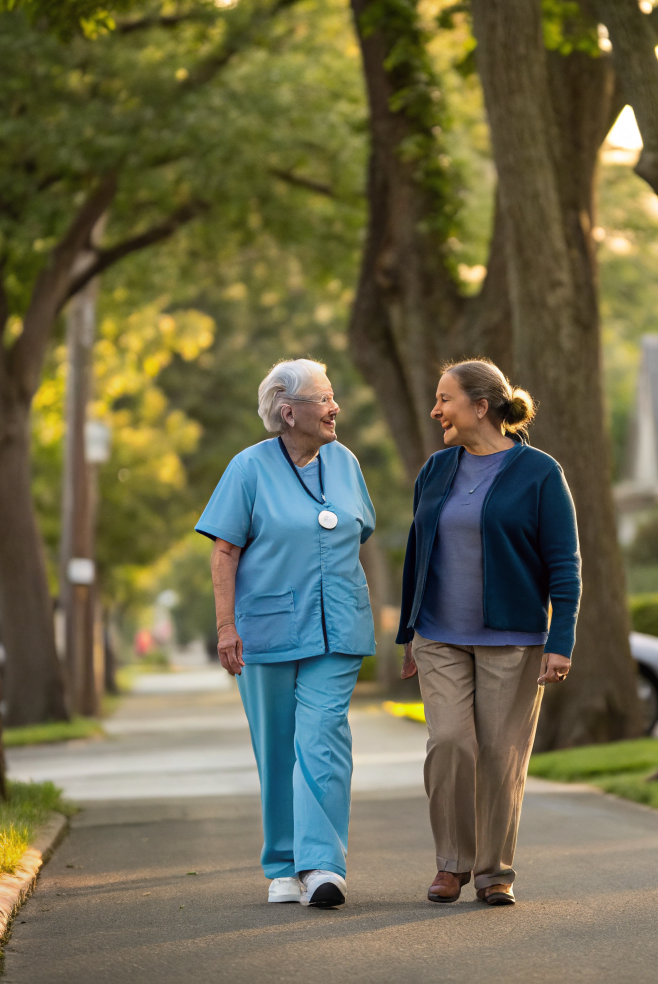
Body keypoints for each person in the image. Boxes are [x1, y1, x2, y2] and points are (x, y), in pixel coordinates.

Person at [396, 358, 579, 907]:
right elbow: (417, 553)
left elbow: (563, 564)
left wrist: (560, 640)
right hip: (439, 634)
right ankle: (451, 864)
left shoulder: (540, 472)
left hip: (514, 637)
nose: (436, 410)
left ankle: (494, 871)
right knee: (450, 742)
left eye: (445, 399)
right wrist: (409, 630)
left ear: (481, 406)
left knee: (501, 753)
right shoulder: (435, 469)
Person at [197, 359, 376, 909]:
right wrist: (226, 627)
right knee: (277, 747)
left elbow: (357, 531)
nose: (334, 408)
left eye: (332, 397)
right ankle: (282, 864)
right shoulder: (248, 468)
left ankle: (321, 865)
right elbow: (224, 551)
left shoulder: (345, 462)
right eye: (323, 399)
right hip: (267, 631)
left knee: (322, 739)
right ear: (287, 411)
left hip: (339, 626)